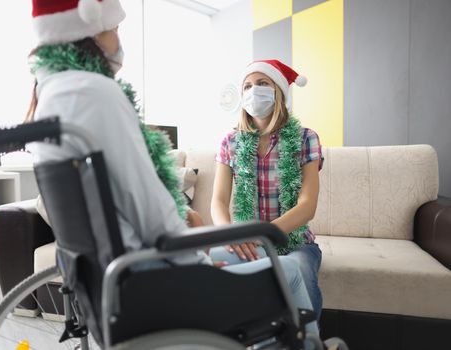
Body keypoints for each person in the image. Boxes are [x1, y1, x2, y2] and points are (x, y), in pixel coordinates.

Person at [26, 0, 318, 337]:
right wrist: (199, 266)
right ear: (89, 29)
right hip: (155, 283)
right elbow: (147, 203)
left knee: (294, 261)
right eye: (116, 28)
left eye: (263, 85)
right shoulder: (97, 92)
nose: (119, 38)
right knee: (291, 273)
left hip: (111, 284)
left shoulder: (50, 96)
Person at [210, 59, 324, 321]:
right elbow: (218, 201)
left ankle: (307, 340)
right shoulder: (230, 141)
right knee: (212, 267)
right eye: (247, 86)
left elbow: (307, 206)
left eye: (262, 84)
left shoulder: (306, 138)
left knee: (300, 270)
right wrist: (232, 235)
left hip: (295, 243)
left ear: (279, 92)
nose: (253, 91)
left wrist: (262, 235)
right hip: (245, 242)